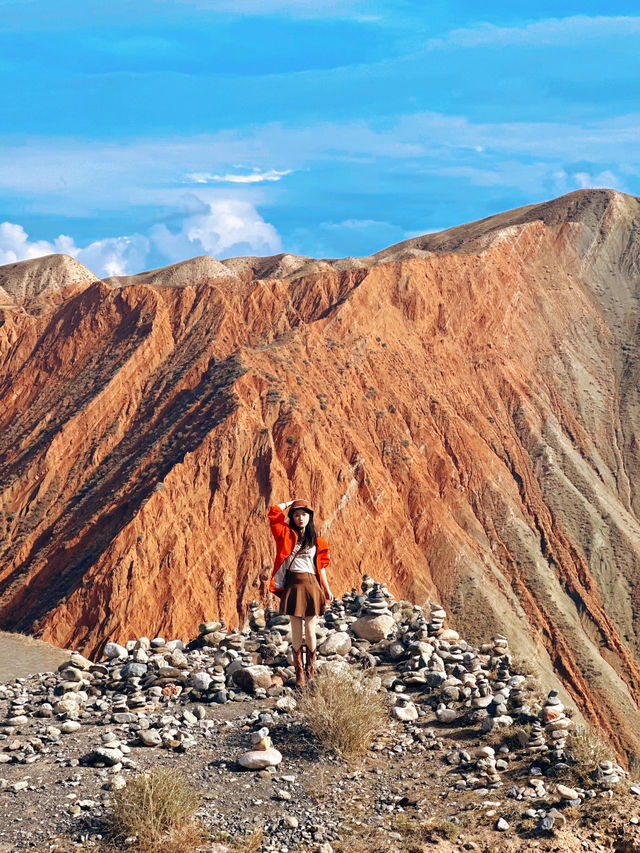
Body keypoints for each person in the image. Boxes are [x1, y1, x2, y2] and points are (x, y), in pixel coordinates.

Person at [268, 499, 333, 687]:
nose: (300, 518)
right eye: (296, 514)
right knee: (296, 632)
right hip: (293, 585)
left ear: (310, 516)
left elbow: (320, 568)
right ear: (292, 517)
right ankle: (300, 675)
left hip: (312, 585)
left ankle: (310, 671)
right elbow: (273, 513)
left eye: (304, 514)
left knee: (310, 631)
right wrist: (290, 502)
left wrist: (327, 589)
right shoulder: (285, 535)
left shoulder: (318, 542)